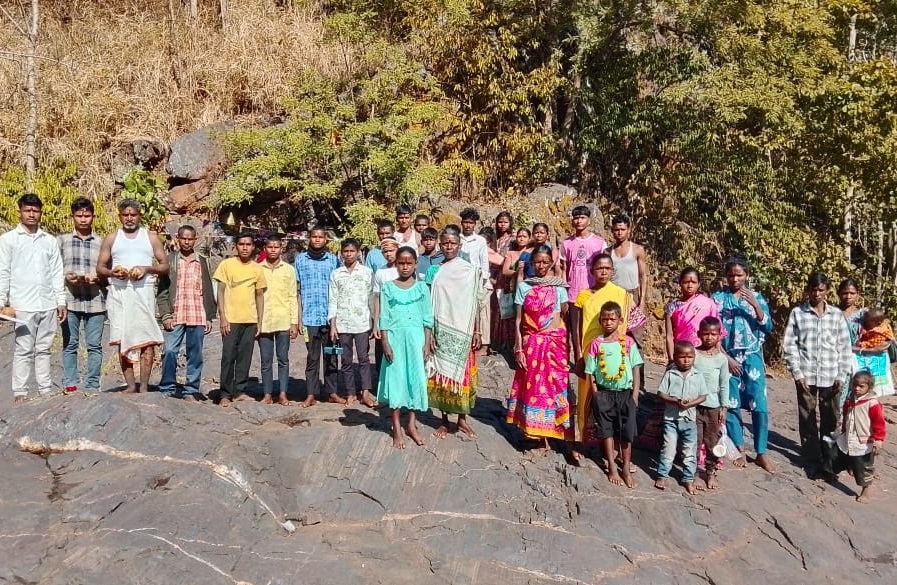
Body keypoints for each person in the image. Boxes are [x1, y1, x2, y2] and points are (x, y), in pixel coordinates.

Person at [782, 272, 853, 478]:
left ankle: (829, 462)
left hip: (831, 376)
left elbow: (844, 347)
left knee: (831, 419)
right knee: (807, 419)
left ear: (827, 291)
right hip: (806, 376)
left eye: (821, 290)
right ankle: (812, 461)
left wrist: (842, 375)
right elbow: (790, 345)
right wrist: (797, 373)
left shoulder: (836, 315)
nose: (817, 294)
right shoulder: (798, 313)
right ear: (808, 290)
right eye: (814, 290)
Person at [571, 254, 644, 453]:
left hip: (617, 355)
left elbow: (631, 326)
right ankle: (589, 441)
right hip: (591, 353)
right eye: (599, 268)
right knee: (589, 397)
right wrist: (578, 355)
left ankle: (617, 448)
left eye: (607, 268)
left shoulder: (622, 295)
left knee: (617, 401)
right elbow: (576, 329)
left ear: (612, 271)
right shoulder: (583, 296)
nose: (603, 271)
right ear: (591, 271)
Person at [96, 199, 168, 393]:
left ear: (139, 216)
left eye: (133, 214)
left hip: (143, 291)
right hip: (119, 292)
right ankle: (130, 385)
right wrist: (113, 273)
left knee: (147, 339)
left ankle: (143, 386)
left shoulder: (150, 237)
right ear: (119, 216)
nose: (129, 218)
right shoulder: (112, 238)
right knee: (122, 338)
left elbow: (164, 266)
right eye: (125, 215)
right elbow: (100, 268)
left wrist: (146, 269)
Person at [0, 194, 66, 403]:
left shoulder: (49, 241)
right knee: (24, 349)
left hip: (47, 302)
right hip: (22, 304)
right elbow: (3, 271)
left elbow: (57, 272)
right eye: (27, 210)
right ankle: (20, 391)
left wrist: (60, 301)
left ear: (40, 213)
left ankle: (45, 390)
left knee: (44, 349)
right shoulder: (8, 240)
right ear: (19, 212)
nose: (31, 214)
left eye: (35, 211)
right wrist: (1, 301)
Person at [712, 258, 775, 473]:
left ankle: (761, 452)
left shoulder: (756, 297)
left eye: (739, 275)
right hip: (728, 356)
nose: (735, 279)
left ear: (746, 275)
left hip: (752, 356)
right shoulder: (718, 299)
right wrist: (726, 359)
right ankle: (738, 447)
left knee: (759, 403)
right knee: (731, 403)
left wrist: (755, 305)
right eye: (731, 275)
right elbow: (712, 331)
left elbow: (767, 326)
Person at [507, 245, 571, 451]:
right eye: (537, 262)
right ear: (531, 264)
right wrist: (518, 347)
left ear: (551, 263)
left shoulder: (559, 287)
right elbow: (518, 320)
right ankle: (534, 433)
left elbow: (563, 316)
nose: (541, 266)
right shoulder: (524, 287)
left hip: (554, 344)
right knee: (533, 387)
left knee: (556, 386)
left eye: (545, 262)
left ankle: (552, 432)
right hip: (532, 344)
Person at [427, 226, 481, 439]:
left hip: (464, 330)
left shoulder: (469, 271)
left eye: (453, 243)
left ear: (459, 245)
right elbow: (429, 303)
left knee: (463, 377)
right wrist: (429, 333)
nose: (449, 247)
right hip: (441, 328)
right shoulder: (434, 271)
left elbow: (475, 302)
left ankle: (462, 420)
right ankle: (443, 421)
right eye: (445, 243)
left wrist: (477, 331)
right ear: (440, 245)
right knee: (442, 376)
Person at [378, 247, 434, 449]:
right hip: (395, 340)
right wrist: (385, 342)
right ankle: (396, 427)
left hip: (416, 340)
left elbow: (427, 318)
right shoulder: (388, 288)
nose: (405, 267)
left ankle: (411, 424)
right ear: (396, 264)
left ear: (416, 264)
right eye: (401, 263)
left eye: (409, 263)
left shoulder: (422, 288)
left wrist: (426, 343)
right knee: (396, 380)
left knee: (415, 380)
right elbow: (384, 317)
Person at [584, 301, 644, 487]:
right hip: (604, 394)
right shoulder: (596, 344)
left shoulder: (627, 342)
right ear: (600, 321)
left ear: (620, 320)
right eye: (605, 319)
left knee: (626, 433)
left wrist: (635, 395)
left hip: (625, 394)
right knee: (606, 430)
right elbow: (590, 372)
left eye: (612, 319)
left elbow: (636, 368)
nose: (608, 322)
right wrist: (596, 395)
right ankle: (611, 465)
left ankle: (625, 466)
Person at [156, 225, 216, 401]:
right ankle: (167, 386)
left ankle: (190, 389)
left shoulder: (203, 261)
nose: (187, 242)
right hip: (176, 314)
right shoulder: (170, 260)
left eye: (190, 239)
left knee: (195, 353)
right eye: (184, 238)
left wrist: (210, 316)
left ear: (195, 240)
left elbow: (208, 289)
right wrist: (165, 315)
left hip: (197, 313)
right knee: (169, 350)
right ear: (178, 238)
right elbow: (162, 290)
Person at [58, 197, 105, 395]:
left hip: (96, 301)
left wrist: (98, 278)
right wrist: (66, 277)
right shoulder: (62, 241)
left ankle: (93, 384)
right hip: (70, 300)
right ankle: (71, 383)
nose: (83, 219)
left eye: (87, 216)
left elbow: (107, 271)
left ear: (93, 216)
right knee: (70, 344)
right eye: (79, 216)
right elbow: (54, 269)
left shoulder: (102, 242)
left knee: (94, 345)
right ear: (73, 217)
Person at [213, 232, 266, 406]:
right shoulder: (226, 265)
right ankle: (225, 394)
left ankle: (239, 391)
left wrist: (259, 321)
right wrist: (223, 317)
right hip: (231, 320)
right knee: (228, 356)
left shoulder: (257, 269)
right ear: (236, 246)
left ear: (253, 247)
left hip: (250, 320)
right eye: (241, 244)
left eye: (248, 244)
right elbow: (220, 292)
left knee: (245, 357)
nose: (245, 247)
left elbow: (259, 296)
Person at [653, 341, 708, 494]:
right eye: (682, 357)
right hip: (671, 419)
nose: (686, 360)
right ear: (675, 357)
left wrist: (690, 404)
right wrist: (675, 401)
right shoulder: (670, 374)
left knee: (689, 451)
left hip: (689, 420)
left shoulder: (697, 375)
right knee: (668, 448)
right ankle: (662, 475)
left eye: (690, 357)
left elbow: (703, 396)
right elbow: (661, 394)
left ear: (694, 357)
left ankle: (688, 478)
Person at [295, 227, 341, 407]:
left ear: (326, 240)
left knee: (331, 356)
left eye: (320, 237)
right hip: (309, 318)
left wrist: (337, 318)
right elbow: (297, 291)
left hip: (330, 319)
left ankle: (332, 392)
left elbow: (339, 289)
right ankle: (311, 393)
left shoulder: (333, 260)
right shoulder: (300, 260)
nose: (317, 239)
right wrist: (299, 318)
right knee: (312, 358)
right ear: (309, 238)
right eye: (314, 236)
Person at [824, 371, 886, 503]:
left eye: (861, 386)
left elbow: (879, 423)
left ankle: (865, 491)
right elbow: (846, 415)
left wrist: (879, 439)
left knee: (863, 466)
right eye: (855, 385)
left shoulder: (873, 403)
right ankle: (831, 474)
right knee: (834, 456)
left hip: (862, 443)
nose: (857, 388)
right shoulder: (850, 400)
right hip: (846, 438)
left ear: (869, 387)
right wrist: (843, 430)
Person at [328, 238, 376, 408]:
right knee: (346, 360)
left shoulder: (367, 273)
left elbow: (372, 298)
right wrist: (333, 325)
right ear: (341, 253)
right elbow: (333, 300)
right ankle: (350, 393)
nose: (348, 254)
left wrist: (374, 322)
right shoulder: (336, 274)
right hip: (342, 325)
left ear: (358, 253)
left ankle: (365, 393)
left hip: (362, 323)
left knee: (364, 358)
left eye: (352, 251)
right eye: (345, 251)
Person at [258, 234, 300, 405]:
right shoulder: (258, 269)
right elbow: (255, 297)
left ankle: (283, 393)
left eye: (276, 247)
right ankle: (267, 394)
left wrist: (294, 322)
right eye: (270, 247)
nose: (273, 250)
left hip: (283, 320)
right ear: (265, 249)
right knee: (265, 360)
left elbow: (292, 296)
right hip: (264, 322)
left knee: (283, 359)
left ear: (281, 249)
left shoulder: (289, 270)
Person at [692, 317, 730, 490]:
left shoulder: (721, 359)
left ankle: (710, 471)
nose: (709, 337)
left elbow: (724, 384)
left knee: (712, 442)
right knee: (694, 440)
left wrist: (724, 407)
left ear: (719, 335)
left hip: (713, 407)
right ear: (698, 334)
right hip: (694, 406)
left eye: (713, 334)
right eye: (705, 333)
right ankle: (692, 473)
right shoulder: (694, 354)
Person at [664, 267, 723, 363]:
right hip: (682, 354)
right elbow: (669, 336)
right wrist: (671, 359)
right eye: (686, 282)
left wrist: (717, 355)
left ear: (699, 284)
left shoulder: (708, 304)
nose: (690, 285)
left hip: (705, 355)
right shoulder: (672, 307)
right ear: (680, 283)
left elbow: (717, 332)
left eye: (693, 282)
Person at [460, 207, 492, 356]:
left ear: (475, 224)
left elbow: (484, 263)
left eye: (471, 223)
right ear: (461, 222)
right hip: (461, 282)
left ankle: (484, 345)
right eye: (465, 222)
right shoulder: (457, 238)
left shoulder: (480, 241)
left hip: (478, 281)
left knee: (482, 312)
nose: (468, 225)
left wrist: (482, 281)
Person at [560, 205, 607, 304]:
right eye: (576, 218)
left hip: (594, 292)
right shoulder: (566, 243)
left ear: (589, 221)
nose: (579, 221)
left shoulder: (600, 243)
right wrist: (564, 292)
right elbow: (564, 269)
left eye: (582, 218)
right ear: (572, 221)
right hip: (573, 294)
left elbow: (605, 269)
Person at [609, 214, 648, 313]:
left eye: (623, 229)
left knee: (635, 323)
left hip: (632, 293)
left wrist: (642, 301)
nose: (619, 233)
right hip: (613, 293)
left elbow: (643, 276)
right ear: (612, 230)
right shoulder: (607, 252)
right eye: (617, 230)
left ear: (629, 230)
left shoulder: (637, 250)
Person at [853, 308, 896, 398]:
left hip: (876, 356)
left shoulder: (881, 331)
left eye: (867, 322)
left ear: (878, 323)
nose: (865, 323)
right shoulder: (870, 328)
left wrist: (864, 345)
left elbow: (881, 342)